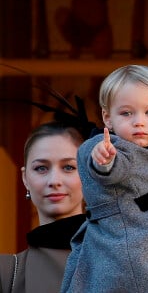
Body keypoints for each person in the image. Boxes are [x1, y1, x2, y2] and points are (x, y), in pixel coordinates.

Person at [61, 65, 148, 293]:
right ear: (107, 118)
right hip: (135, 267)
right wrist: (104, 160)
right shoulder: (111, 148)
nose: (139, 121)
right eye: (126, 113)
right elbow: (110, 168)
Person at [0, 121, 86, 293]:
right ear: (25, 178)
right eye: (41, 168)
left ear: (88, 173)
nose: (54, 181)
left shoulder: (122, 258)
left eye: (68, 167)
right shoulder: (7, 273)